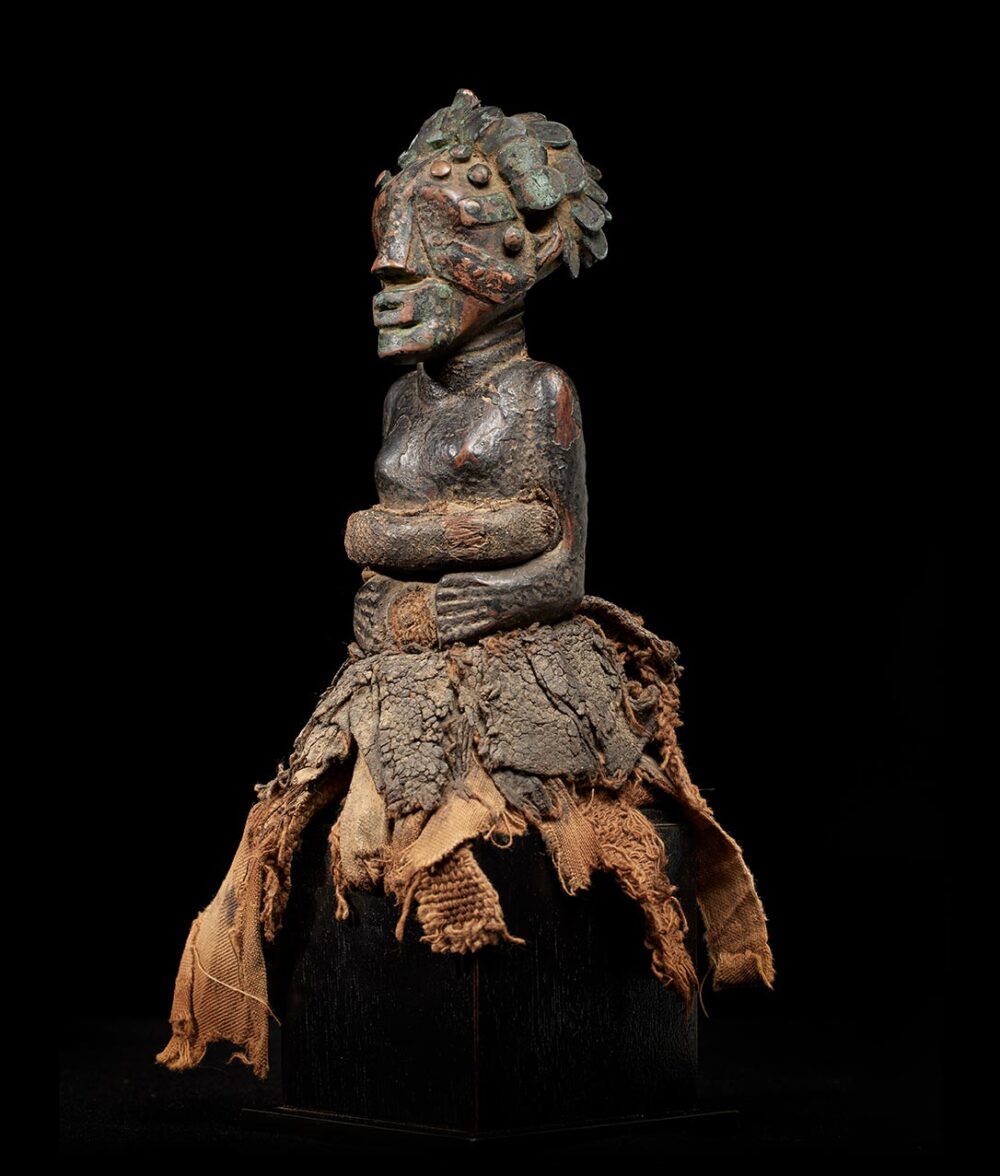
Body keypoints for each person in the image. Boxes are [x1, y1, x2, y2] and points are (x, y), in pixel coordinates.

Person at [158, 90, 773, 1079]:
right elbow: (385, 540)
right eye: (386, 247)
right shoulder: (405, 400)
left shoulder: (539, 392)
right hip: (399, 657)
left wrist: (467, 581)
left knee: (526, 826)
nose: (386, 270)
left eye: (426, 247)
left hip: (515, 659)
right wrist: (416, 555)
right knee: (318, 818)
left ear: (516, 260)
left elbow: (560, 560)